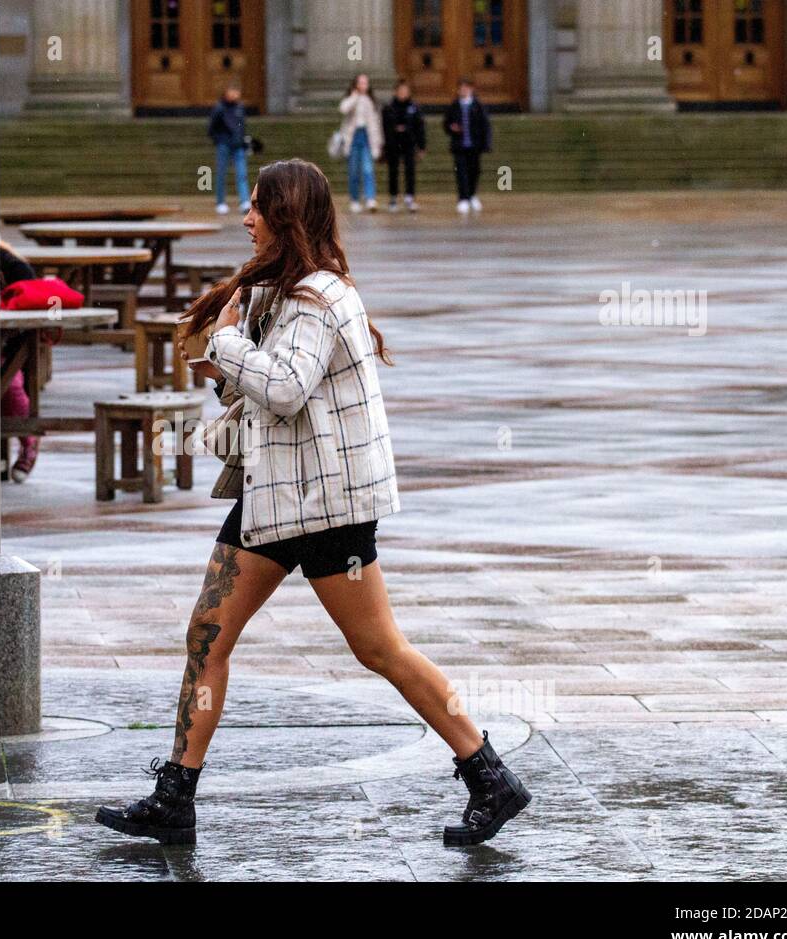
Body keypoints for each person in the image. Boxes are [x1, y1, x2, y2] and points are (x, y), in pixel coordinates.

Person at [96, 158, 532, 848]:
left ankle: (489, 773)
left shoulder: (319, 299)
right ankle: (174, 797)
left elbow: (288, 386)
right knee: (207, 633)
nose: (245, 218)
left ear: (286, 217)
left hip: (328, 505)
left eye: (257, 207)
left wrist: (229, 343)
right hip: (274, 498)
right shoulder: (280, 294)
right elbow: (265, 396)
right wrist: (224, 370)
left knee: (379, 648)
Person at [0, 240, 38, 482]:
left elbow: (32, 296)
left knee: (10, 386)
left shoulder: (11, 265)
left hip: (7, 344)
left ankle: (28, 441)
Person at [442, 77, 491, 215]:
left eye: (466, 87)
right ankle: (463, 198)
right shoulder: (454, 106)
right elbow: (446, 124)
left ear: (471, 89)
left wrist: (486, 143)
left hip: (474, 146)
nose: (463, 90)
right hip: (459, 145)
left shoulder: (478, 106)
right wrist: (452, 128)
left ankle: (472, 195)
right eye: (461, 88)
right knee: (461, 172)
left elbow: (485, 126)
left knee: (474, 171)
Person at [337, 74, 383, 213]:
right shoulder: (351, 98)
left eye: (366, 83)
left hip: (367, 137)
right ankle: (355, 199)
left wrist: (379, 142)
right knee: (354, 171)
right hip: (353, 138)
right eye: (361, 83)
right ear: (356, 84)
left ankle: (370, 198)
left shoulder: (371, 101)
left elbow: (376, 124)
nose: (364, 85)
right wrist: (354, 97)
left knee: (368, 169)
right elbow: (343, 109)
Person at [381, 78, 427, 213]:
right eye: (400, 91)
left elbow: (420, 128)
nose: (402, 93)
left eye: (405, 91)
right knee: (393, 171)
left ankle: (409, 198)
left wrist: (422, 146)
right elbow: (384, 127)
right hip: (393, 143)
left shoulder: (414, 107)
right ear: (395, 92)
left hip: (409, 143)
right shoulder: (389, 107)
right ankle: (393, 198)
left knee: (410, 170)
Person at [207, 83, 251, 216]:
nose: (235, 94)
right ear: (226, 92)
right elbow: (211, 128)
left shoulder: (240, 107)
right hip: (224, 145)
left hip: (238, 145)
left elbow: (242, 126)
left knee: (242, 174)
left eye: (237, 91)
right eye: (233, 91)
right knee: (221, 173)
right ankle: (220, 202)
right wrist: (219, 139)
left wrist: (243, 141)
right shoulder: (219, 108)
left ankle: (244, 201)